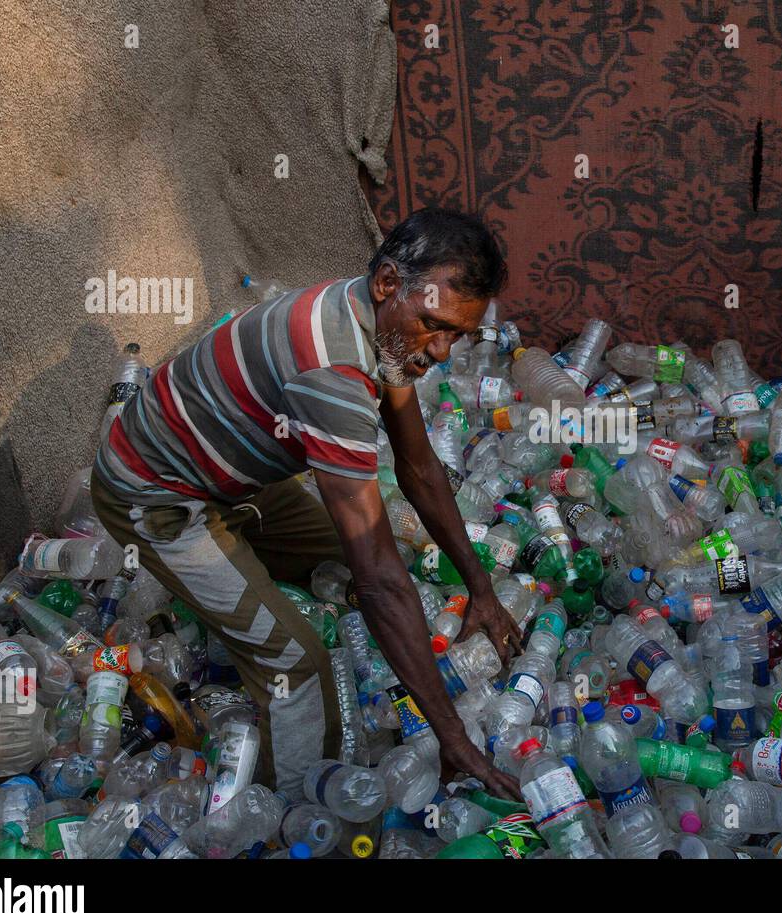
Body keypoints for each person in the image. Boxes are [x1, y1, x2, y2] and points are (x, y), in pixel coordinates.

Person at [90, 207, 524, 800]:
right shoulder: (333, 370)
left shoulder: (385, 327)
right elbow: (380, 583)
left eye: (460, 335)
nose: (444, 351)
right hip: (157, 492)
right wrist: (452, 737)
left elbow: (420, 468)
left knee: (357, 566)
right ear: (388, 283)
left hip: (238, 477)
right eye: (436, 324)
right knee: (298, 665)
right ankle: (290, 812)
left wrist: (481, 589)